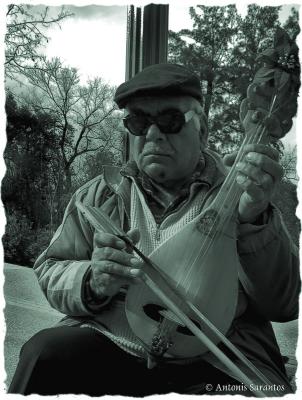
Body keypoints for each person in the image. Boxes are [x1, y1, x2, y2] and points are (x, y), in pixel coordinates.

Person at [8, 63, 299, 396]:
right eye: (138, 122)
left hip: (217, 357)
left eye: (170, 120)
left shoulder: (240, 192)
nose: (153, 134)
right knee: (43, 354)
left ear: (202, 130)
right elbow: (50, 268)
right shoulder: (98, 195)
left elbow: (284, 304)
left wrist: (253, 220)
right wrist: (92, 280)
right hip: (114, 340)